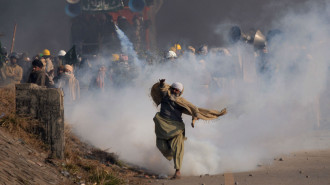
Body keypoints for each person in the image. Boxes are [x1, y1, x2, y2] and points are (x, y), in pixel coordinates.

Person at [150, 79, 227, 179]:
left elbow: (194, 109)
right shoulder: (165, 95)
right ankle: (172, 155)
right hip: (162, 126)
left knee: (178, 148)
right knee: (161, 146)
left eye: (177, 90)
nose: (174, 91)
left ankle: (177, 171)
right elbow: (162, 88)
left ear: (180, 92)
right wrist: (161, 83)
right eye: (173, 89)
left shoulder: (182, 101)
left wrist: (195, 118)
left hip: (176, 128)